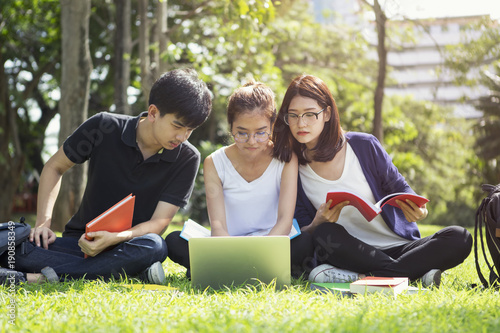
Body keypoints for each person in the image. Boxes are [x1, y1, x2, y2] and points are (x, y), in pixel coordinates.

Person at [0, 68, 212, 285]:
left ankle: (37, 278)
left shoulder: (187, 157)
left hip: (130, 246)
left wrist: (117, 238)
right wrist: (44, 224)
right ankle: (124, 272)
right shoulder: (104, 126)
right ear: (153, 112)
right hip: (79, 242)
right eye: (177, 126)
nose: (182, 136)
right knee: (14, 246)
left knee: (155, 246)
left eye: (190, 130)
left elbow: (159, 222)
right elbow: (54, 167)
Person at [272, 74, 472, 287]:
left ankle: (369, 278)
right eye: (293, 116)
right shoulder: (293, 165)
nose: (300, 123)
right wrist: (317, 223)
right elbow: (302, 231)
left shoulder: (364, 146)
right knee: (324, 233)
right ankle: (414, 273)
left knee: (460, 237)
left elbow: (403, 191)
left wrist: (420, 211)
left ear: (327, 113)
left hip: (399, 247)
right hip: (351, 252)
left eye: (310, 114)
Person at [166, 81, 313, 278]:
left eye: (261, 132)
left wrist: (263, 251)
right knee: (175, 241)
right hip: (226, 243)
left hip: (271, 241)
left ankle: (224, 269)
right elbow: (217, 226)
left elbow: (285, 221)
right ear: (231, 127)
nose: (252, 141)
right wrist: (233, 252)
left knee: (304, 242)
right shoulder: (215, 162)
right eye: (242, 133)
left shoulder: (286, 158)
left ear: (272, 125)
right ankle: (257, 269)